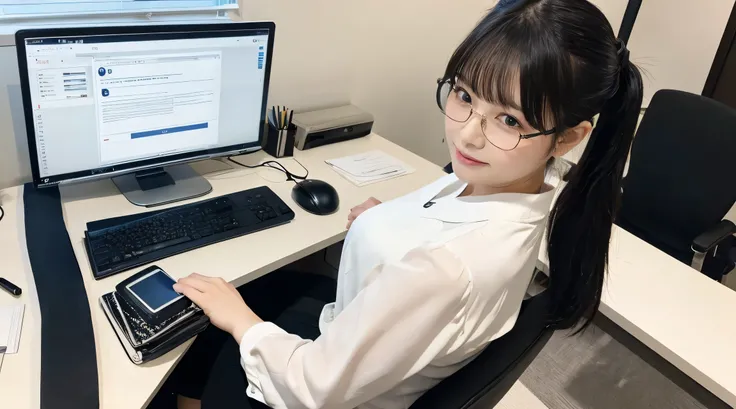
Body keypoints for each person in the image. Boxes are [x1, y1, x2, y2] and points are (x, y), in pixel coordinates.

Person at [168, 0, 643, 408]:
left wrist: (240, 319)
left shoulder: (447, 268)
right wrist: (387, 219)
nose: (468, 134)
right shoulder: (530, 187)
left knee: (207, 328)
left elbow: (313, 390)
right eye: (463, 94)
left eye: (508, 120)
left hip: (322, 385)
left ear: (568, 138)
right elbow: (443, 227)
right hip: (361, 337)